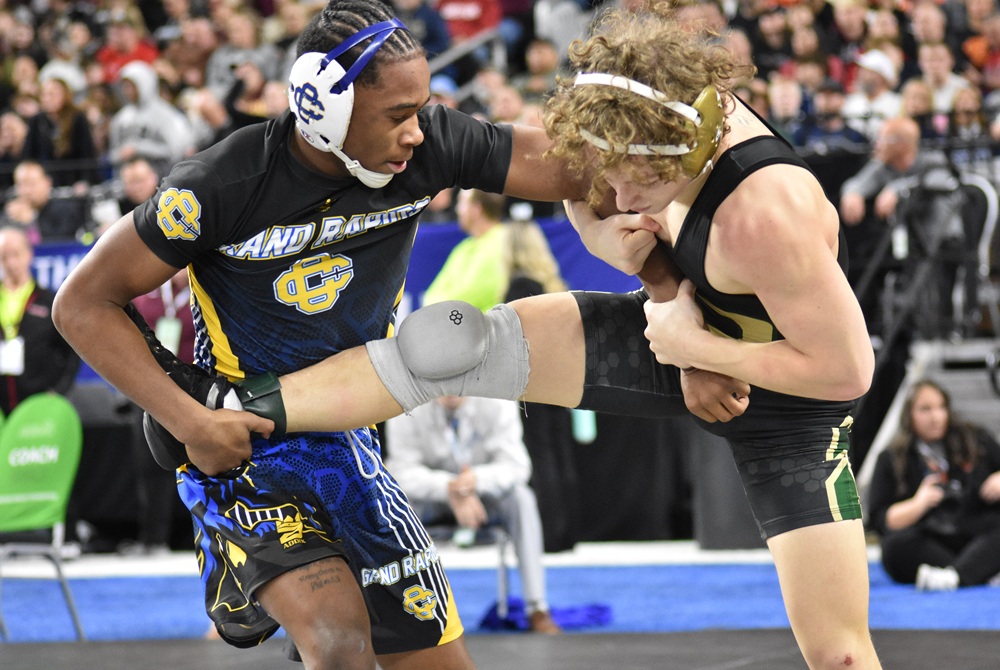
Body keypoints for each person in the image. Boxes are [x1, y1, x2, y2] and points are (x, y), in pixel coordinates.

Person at [121, 7, 882, 669]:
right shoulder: (645, 140)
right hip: (677, 338)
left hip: (794, 399)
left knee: (839, 654)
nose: (613, 202)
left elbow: (845, 369)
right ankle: (232, 405)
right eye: (606, 178)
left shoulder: (764, 216)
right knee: (443, 342)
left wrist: (700, 350)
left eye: (631, 188)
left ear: (677, 157)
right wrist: (662, 295)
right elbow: (579, 181)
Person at [53, 0, 702, 666]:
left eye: (421, 109)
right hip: (245, 448)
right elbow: (80, 305)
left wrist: (671, 270)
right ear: (325, 111)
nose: (417, 131)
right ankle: (243, 555)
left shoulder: (433, 144)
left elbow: (585, 170)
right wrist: (190, 423)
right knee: (340, 646)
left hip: (347, 438)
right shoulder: (221, 185)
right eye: (398, 115)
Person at [384, 395, 562, 634]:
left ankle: (537, 608)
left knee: (522, 499)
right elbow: (400, 471)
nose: (451, 389)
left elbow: (517, 465)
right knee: (394, 503)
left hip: (483, 497)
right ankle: (403, 609)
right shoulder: (407, 403)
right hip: (431, 498)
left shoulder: (497, 401)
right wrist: (449, 487)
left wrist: (475, 481)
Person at [839, 116, 965, 339]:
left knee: (927, 278)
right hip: (910, 247)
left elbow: (941, 182)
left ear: (903, 144)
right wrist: (852, 194)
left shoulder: (932, 160)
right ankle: (879, 332)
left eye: (883, 139)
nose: (877, 145)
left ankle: (936, 333)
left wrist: (898, 189)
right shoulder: (884, 164)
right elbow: (857, 182)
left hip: (943, 245)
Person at [867, 379, 1000, 590]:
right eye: (925, 409)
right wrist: (919, 504)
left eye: (941, 408)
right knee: (894, 548)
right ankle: (976, 571)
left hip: (976, 529)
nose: (935, 417)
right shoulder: (891, 457)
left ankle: (956, 576)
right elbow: (882, 520)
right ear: (909, 415)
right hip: (930, 537)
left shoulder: (974, 439)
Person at [0, 225, 79, 416]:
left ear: (29, 254)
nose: (10, 263)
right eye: (3, 257)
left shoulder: (49, 301)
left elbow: (72, 352)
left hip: (38, 403)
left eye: (16, 254)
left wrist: (58, 390)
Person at [422, 189, 508, 311]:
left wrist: (436, 306)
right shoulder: (464, 247)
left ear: (476, 209)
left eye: (461, 202)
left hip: (484, 327)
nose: (457, 209)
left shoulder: (502, 243)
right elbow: (431, 294)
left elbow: (470, 297)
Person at [108, 60, 195, 177]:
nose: (127, 91)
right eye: (125, 87)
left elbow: (176, 151)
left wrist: (138, 148)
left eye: (132, 87)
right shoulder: (121, 118)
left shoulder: (166, 115)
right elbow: (113, 154)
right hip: (129, 180)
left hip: (163, 176)